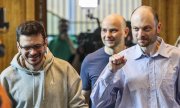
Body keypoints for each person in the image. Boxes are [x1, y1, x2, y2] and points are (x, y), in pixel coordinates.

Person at [90, 5, 180, 108]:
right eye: (136, 29)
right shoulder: (120, 61)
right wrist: (110, 72)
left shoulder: (176, 57)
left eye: (146, 28)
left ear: (158, 27)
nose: (140, 34)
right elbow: (98, 103)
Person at [0, 21, 88, 108]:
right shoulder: (6, 77)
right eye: (27, 47)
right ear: (19, 47)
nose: (33, 52)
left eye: (37, 46)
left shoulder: (66, 70)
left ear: (45, 43)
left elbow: (79, 106)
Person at [80, 14, 129, 108]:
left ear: (125, 32)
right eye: (104, 30)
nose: (107, 35)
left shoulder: (135, 58)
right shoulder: (90, 60)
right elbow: (83, 100)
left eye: (113, 30)